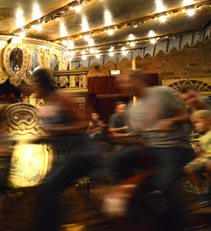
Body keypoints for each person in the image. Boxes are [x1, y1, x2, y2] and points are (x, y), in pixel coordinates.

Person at [113, 69, 193, 231]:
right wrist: (127, 139)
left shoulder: (162, 93)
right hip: (152, 150)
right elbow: (140, 137)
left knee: (162, 185)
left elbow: (187, 116)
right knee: (117, 159)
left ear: (138, 80)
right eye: (120, 83)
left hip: (175, 147)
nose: (122, 86)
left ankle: (176, 225)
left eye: (125, 81)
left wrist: (172, 121)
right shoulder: (130, 109)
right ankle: (135, 200)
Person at [33, 69, 105, 231]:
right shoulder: (44, 105)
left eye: (34, 84)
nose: (32, 89)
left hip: (80, 153)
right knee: (45, 187)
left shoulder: (62, 99)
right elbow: (50, 132)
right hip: (64, 155)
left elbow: (83, 123)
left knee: (48, 188)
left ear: (41, 84)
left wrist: (59, 130)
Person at [184, 110, 211, 206]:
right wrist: (199, 159)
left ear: (207, 121)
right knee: (188, 169)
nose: (195, 125)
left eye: (197, 122)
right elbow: (203, 153)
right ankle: (202, 194)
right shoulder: (202, 139)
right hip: (208, 156)